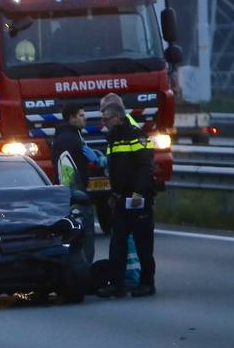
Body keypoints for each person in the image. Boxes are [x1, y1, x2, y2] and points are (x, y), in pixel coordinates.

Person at [96, 93, 157, 298]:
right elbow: (115, 170)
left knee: (143, 243)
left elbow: (145, 167)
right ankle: (117, 284)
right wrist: (113, 193)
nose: (103, 123)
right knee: (118, 243)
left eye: (105, 119)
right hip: (121, 199)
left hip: (139, 199)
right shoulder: (112, 138)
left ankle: (148, 283)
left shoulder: (136, 135)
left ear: (117, 117)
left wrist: (139, 192)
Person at [51, 103, 96, 264]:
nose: (85, 118)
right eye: (81, 115)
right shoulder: (68, 139)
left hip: (75, 194)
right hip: (76, 196)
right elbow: (66, 172)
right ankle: (84, 271)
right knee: (84, 234)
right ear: (71, 118)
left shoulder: (73, 135)